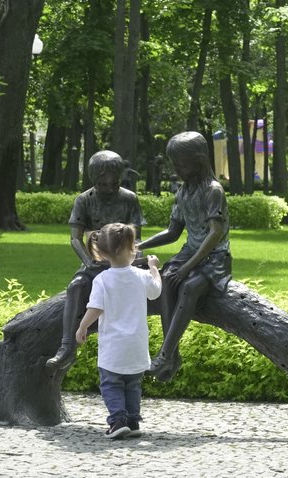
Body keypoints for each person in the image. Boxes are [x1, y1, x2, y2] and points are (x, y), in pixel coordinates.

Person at [138, 131, 231, 382]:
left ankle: (165, 354)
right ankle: (172, 356)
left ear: (199, 161)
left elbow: (215, 234)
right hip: (191, 251)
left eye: (182, 164)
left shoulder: (213, 191)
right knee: (167, 279)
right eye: (175, 164)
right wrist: (140, 244)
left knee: (189, 287)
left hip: (215, 257)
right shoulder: (183, 192)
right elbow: (173, 232)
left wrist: (188, 266)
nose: (177, 170)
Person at [46, 150, 145, 371]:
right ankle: (67, 346)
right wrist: (88, 261)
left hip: (124, 261)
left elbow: (136, 236)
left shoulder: (129, 198)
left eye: (114, 183)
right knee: (76, 286)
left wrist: (131, 258)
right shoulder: (84, 200)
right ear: (94, 180)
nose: (109, 188)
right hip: (95, 261)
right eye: (103, 184)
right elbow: (75, 238)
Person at [75, 223, 162, 439]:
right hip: (137, 345)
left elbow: (95, 308)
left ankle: (117, 421)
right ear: (132, 249)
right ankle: (133, 421)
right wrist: (154, 268)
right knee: (133, 384)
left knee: (111, 384)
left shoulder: (102, 279)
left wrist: (82, 326)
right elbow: (155, 292)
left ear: (104, 253)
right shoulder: (141, 275)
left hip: (113, 347)